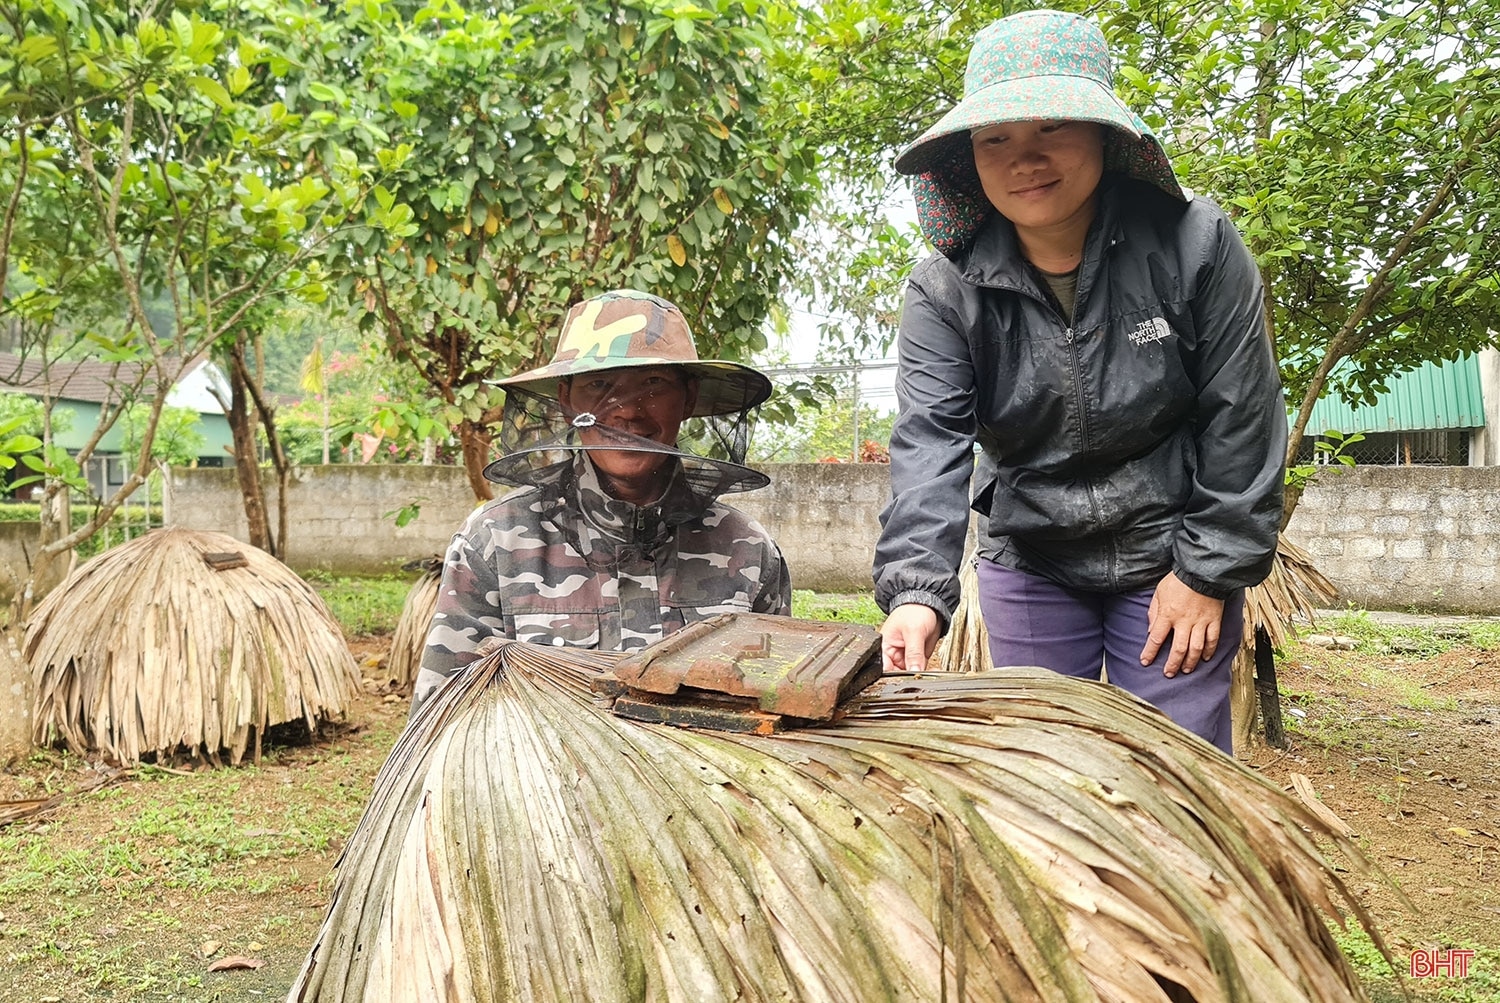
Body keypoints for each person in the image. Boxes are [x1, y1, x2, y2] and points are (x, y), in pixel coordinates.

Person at [872, 9, 1286, 754]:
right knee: (1044, 768)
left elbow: (1242, 414)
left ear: (1104, 133)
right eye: (996, 137)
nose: (1024, 158)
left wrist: (1207, 570)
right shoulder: (944, 289)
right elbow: (929, 445)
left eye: (1050, 128)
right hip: (1030, 554)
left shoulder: (1196, 245)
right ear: (968, 157)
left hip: (1173, 545)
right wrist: (914, 593)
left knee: (1174, 771)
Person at [413, 289, 790, 714]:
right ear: (566, 401)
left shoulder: (747, 549)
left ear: (687, 398)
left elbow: (778, 715)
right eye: (598, 384)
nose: (627, 412)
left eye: (653, 383)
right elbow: (441, 721)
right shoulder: (496, 542)